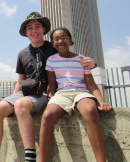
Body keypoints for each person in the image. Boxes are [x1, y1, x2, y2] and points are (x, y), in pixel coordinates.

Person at [0, 12, 96, 162]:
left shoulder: (53, 48)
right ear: (26, 33)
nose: (34, 31)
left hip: (46, 93)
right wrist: (11, 100)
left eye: (37, 26)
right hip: (26, 92)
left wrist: (93, 63)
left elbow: (73, 58)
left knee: (20, 105)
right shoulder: (22, 54)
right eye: (30, 28)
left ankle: (30, 157)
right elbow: (20, 81)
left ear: (44, 29)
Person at [38, 27, 112, 162]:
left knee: (90, 110)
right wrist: (51, 96)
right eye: (56, 39)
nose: (60, 41)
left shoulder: (82, 59)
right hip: (61, 94)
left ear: (70, 40)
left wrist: (101, 101)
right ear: (53, 43)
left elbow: (91, 85)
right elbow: (52, 84)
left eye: (64, 37)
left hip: (81, 92)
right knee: (47, 116)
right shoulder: (51, 60)